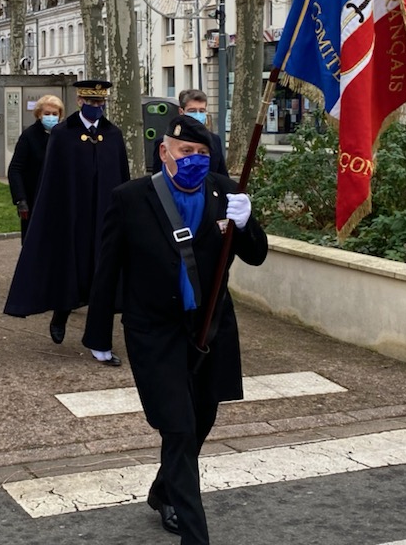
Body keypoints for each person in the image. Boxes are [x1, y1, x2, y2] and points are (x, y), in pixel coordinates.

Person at [83, 115, 267, 545]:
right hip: (154, 331)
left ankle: (163, 489)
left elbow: (255, 255)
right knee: (179, 427)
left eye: (203, 154)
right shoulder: (131, 198)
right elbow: (108, 267)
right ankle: (194, 534)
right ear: (165, 151)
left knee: (202, 419)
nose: (195, 160)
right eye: (186, 152)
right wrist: (98, 336)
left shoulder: (226, 192)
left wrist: (247, 223)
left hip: (210, 327)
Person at [4, 79, 130, 350]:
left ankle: (98, 337)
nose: (97, 107)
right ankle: (61, 314)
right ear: (80, 101)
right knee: (70, 267)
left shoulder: (113, 134)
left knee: (102, 271)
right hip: (72, 214)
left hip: (104, 216)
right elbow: (52, 179)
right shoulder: (63, 134)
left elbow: (122, 177)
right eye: (91, 102)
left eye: (100, 102)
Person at [7, 94, 64, 242]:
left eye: (54, 114)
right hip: (34, 199)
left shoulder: (64, 136)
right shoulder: (29, 136)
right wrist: (20, 199)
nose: (51, 117)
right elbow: (15, 169)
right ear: (39, 114)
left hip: (59, 199)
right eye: (47, 114)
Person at [151, 89, 227, 176]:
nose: (198, 115)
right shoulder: (165, 142)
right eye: (192, 111)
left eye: (202, 111)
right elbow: (158, 177)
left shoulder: (215, 140)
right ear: (181, 112)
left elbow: (222, 175)